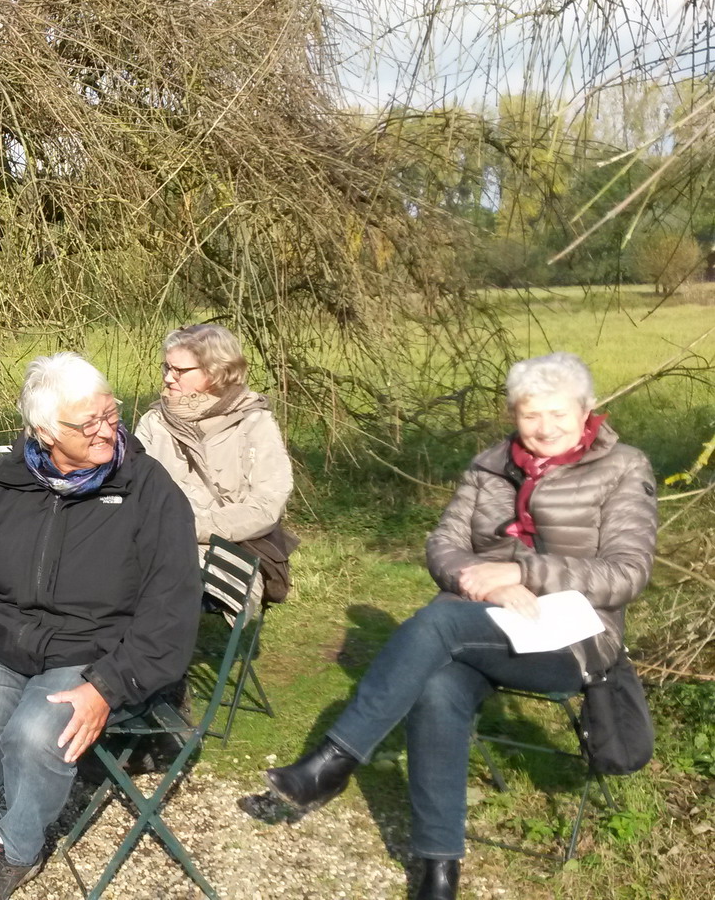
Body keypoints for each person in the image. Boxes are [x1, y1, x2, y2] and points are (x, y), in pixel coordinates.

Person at [259, 352, 658, 900]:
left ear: (587, 410)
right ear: (513, 414)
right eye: (530, 415)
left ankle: (334, 761)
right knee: (437, 686)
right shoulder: (488, 466)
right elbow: (442, 547)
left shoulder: (624, 468)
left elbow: (627, 573)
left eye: (559, 414)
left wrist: (521, 571)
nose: (545, 429)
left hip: (573, 637)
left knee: (441, 618)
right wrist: (489, 582)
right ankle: (438, 871)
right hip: (489, 621)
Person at [0, 352, 204, 900]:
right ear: (45, 431)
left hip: (92, 655)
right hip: (4, 649)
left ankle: (17, 850)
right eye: (87, 422)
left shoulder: (147, 489)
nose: (106, 429)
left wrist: (107, 688)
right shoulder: (3, 485)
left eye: (110, 413)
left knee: (33, 737)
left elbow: (170, 610)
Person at [135, 323, 291, 549]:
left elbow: (266, 505)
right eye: (167, 368)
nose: (169, 378)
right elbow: (138, 494)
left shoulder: (255, 424)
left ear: (216, 370)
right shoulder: (153, 423)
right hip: (160, 545)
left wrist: (192, 527)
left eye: (179, 370)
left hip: (233, 548)